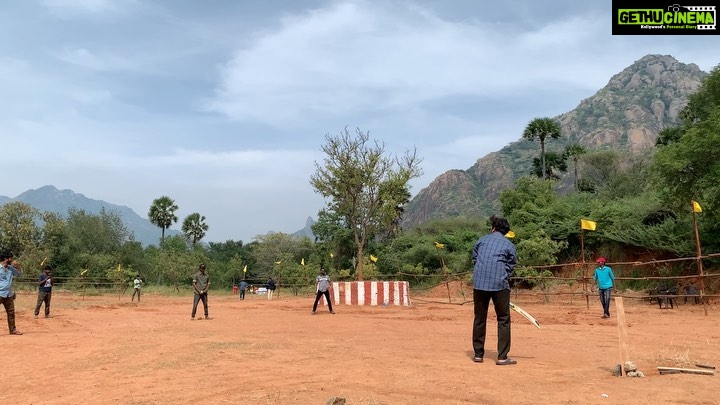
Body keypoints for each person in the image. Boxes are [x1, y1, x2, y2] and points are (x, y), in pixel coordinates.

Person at [471, 216, 517, 365]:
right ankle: (502, 357)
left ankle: (478, 354)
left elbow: (474, 259)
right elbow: (511, 264)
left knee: (479, 319)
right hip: (499, 285)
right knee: (503, 319)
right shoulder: (509, 245)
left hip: (480, 284)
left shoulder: (481, 240)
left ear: (493, 228)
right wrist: (503, 274)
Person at [0, 251, 23, 335]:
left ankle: (12, 330)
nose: (12, 260)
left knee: (11, 312)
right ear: (6, 259)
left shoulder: (10, 268)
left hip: (9, 294)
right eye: (11, 258)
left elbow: (19, 274)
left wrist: (17, 266)